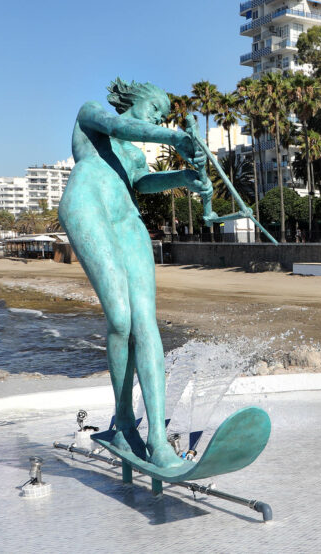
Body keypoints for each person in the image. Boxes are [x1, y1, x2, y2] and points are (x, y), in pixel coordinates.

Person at [59, 78, 208, 469]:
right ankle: (124, 424)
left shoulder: (136, 156)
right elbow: (120, 127)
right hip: (88, 203)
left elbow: (141, 182)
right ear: (135, 99)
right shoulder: (92, 115)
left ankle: (157, 439)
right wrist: (174, 137)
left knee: (146, 323)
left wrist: (184, 178)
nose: (158, 118)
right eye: (155, 109)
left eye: (163, 116)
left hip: (128, 221)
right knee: (121, 318)